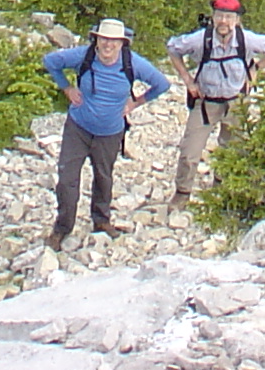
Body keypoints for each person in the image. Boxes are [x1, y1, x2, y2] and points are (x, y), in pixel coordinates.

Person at [40, 18, 170, 248]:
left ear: (122, 43)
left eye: (114, 41)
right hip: (78, 127)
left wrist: (135, 103)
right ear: (96, 40)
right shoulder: (84, 55)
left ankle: (101, 221)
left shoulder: (132, 63)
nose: (108, 45)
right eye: (104, 39)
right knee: (67, 179)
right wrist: (67, 88)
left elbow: (161, 84)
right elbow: (50, 61)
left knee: (103, 177)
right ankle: (62, 228)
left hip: (110, 133)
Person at [165, 0, 265, 205]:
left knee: (231, 150)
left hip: (236, 102)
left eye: (229, 17)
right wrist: (188, 80)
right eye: (220, 16)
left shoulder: (246, 40)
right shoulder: (200, 39)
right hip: (206, 103)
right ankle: (182, 193)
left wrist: (255, 69)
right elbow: (173, 48)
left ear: (237, 20)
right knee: (189, 151)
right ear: (213, 17)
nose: (223, 21)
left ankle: (221, 187)